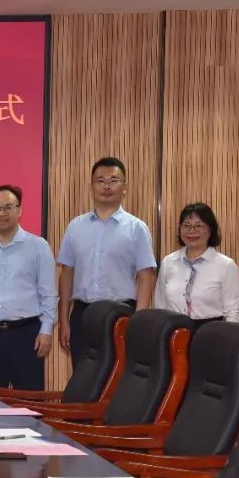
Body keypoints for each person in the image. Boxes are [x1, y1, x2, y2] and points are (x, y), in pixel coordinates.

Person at [57, 157, 156, 367]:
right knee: (82, 378)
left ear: (124, 187)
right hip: (82, 314)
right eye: (100, 181)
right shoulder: (75, 227)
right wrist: (64, 320)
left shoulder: (136, 228)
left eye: (113, 180)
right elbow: (66, 274)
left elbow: (146, 276)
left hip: (121, 314)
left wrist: (138, 322)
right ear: (91, 186)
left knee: (119, 378)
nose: (107, 186)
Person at [0, 185, 58, 390]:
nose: (1, 213)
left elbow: (49, 293)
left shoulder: (38, 246)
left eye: (8, 207)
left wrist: (46, 330)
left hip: (27, 334)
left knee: (28, 398)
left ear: (19, 210)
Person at [154, 202, 239, 330]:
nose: (192, 231)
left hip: (211, 333)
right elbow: (160, 305)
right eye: (186, 225)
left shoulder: (226, 266)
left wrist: (229, 338)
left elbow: (232, 312)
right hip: (174, 333)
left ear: (210, 230)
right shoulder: (168, 262)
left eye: (199, 226)